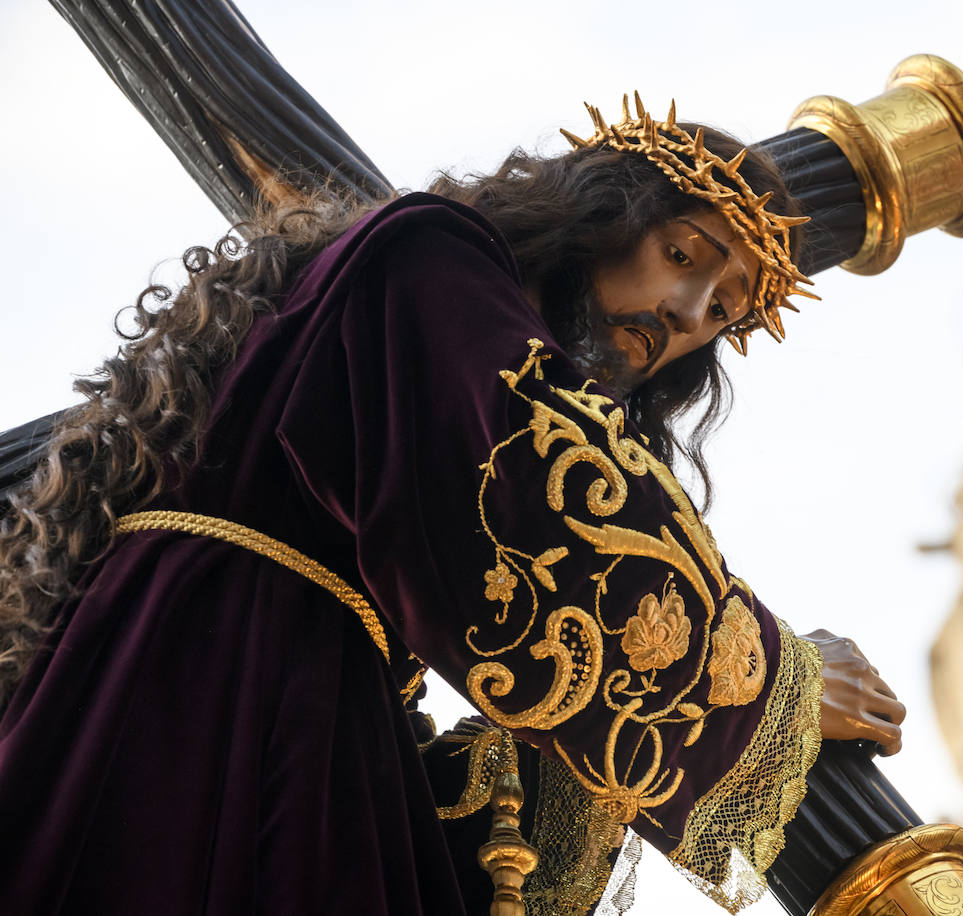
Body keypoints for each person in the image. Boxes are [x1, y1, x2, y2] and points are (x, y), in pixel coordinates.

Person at [0, 99, 904, 914]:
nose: (684, 310)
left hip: (292, 696)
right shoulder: (423, 254)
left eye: (720, 311)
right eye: (682, 256)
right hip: (200, 691)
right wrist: (773, 680)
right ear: (605, 211)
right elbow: (534, 498)